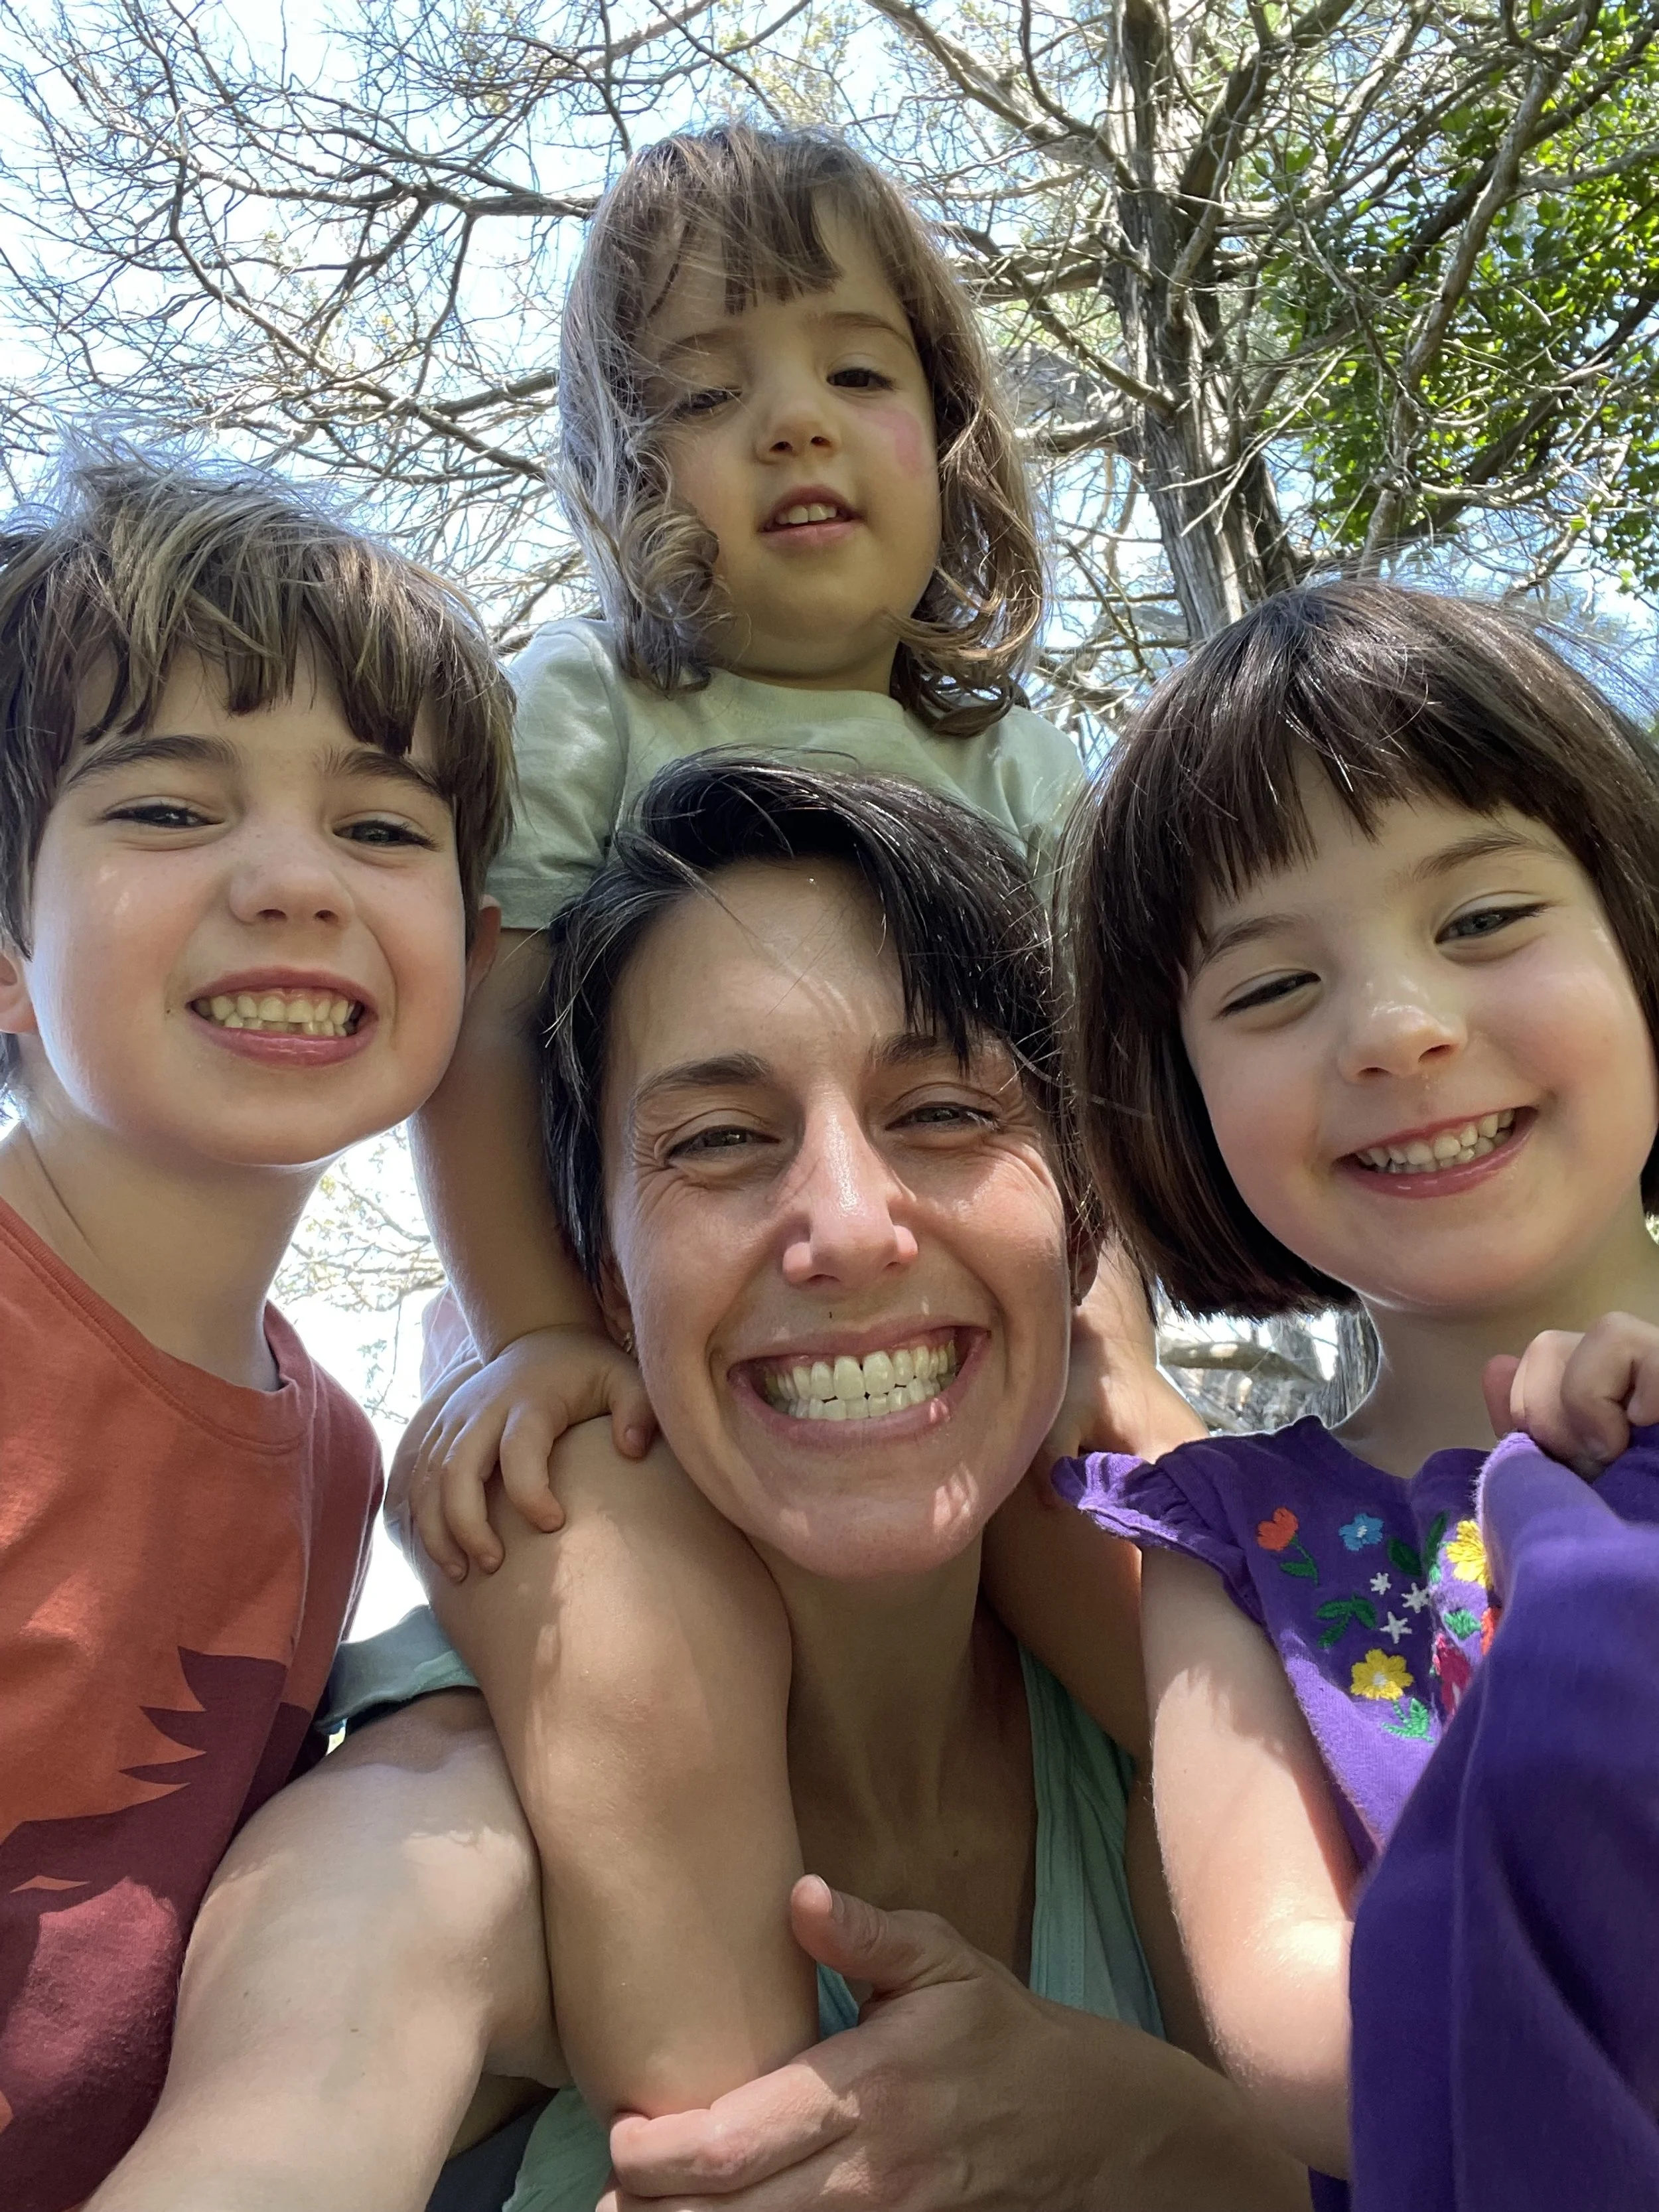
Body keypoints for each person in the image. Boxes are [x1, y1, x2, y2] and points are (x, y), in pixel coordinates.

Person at [88, 759, 1305, 2212]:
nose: (848, 1230)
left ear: (1077, 1220)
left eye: (940, 1113)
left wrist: (1163, 2135)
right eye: (719, 1141)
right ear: (601, 1281)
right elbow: (291, 2104)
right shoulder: (454, 1830)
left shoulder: (1191, 1748)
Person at [399, 120, 1196, 2120]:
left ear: (949, 425)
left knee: (1185, 1622)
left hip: (990, 1346)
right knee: (639, 1641)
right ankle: (742, 2124)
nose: (792, 430)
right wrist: (537, 1333)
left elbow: (1083, 1095)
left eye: (854, 369)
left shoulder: (1007, 757)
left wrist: (1111, 1344)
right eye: (701, 391)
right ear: (620, 461)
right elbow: (490, 1054)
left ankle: (1338, 1989)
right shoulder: (587, 705)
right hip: (603, 1319)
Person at [1045, 581, 1659, 2203]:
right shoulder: (1230, 1549)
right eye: (1266, 990)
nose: (1393, 1029)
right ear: (1178, 1095)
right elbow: (1292, 2037)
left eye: (1479, 920)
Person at [0, 450, 515, 2211]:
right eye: (167, 809)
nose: (296, 880)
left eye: (381, 828)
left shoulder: (332, 1457)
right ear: (4, 943)